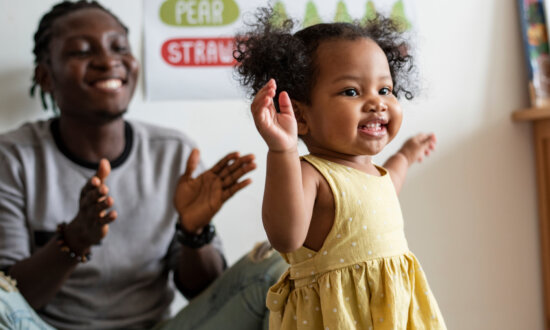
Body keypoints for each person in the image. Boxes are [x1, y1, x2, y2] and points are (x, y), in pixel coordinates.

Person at [0, 1, 286, 329]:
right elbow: (12, 296)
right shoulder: (12, 157)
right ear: (45, 77)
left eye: (119, 47)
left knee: (277, 267)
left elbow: (206, 293)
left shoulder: (174, 153)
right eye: (80, 51)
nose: (108, 61)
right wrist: (73, 241)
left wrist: (193, 233)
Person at [233, 8, 447, 330]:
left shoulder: (374, 174)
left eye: (384, 90)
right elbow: (286, 237)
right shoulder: (312, 174)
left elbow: (390, 184)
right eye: (351, 92)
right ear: (302, 117)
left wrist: (407, 154)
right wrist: (283, 150)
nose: (377, 103)